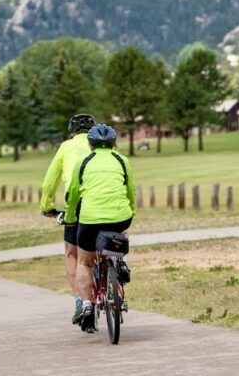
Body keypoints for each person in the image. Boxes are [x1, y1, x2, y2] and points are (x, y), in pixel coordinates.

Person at [64, 123, 136, 332]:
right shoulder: (123, 161)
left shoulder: (83, 162)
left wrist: (70, 217)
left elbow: (74, 194)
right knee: (120, 232)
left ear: (90, 143)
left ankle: (86, 306)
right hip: (120, 217)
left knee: (85, 262)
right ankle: (119, 262)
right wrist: (131, 212)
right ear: (114, 143)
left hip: (89, 219)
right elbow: (130, 191)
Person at [40, 113, 96, 325]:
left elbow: (50, 182)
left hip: (76, 205)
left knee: (72, 253)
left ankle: (80, 300)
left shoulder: (65, 147)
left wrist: (46, 207)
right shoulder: (102, 145)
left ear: (71, 132)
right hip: (103, 204)